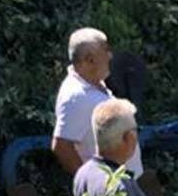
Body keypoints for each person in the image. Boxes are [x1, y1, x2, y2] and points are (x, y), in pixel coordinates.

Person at [51, 28, 143, 178]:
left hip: (124, 182)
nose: (110, 55)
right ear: (90, 60)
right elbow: (61, 146)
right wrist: (90, 183)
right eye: (106, 50)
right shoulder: (76, 96)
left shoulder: (94, 83)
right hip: (110, 188)